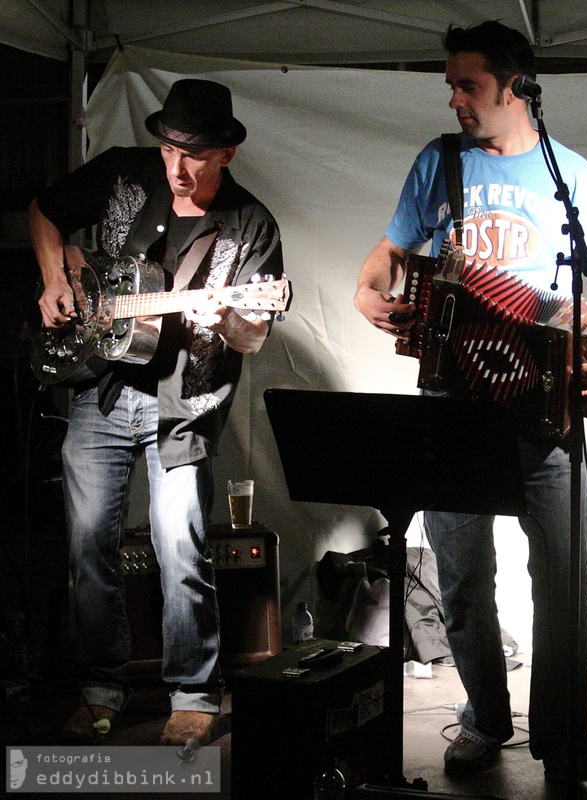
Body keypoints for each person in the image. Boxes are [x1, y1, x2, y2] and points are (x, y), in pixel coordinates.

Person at [353, 20, 587, 781]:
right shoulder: (440, 163)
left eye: (468, 85)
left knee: (561, 580)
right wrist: (367, 288)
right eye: (450, 85)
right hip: (454, 405)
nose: (454, 99)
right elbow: (389, 252)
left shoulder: (569, 175)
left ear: (516, 88)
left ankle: (561, 738)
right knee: (461, 575)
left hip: (542, 411)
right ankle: (485, 718)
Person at [30, 79, 285, 747]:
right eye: (169, 147)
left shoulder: (252, 225)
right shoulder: (122, 172)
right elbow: (45, 211)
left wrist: (226, 316)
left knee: (182, 546)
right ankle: (98, 691)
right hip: (99, 390)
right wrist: (58, 278)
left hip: (186, 403)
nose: (176, 166)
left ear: (227, 153)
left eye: (194, 154)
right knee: (89, 546)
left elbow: (254, 333)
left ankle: (195, 695)